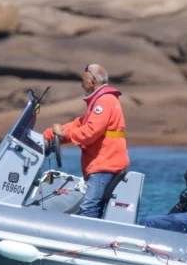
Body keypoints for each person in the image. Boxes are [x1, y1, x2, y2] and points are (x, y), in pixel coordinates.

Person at [43, 64, 130, 218]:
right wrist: (49, 135)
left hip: (104, 165)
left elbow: (89, 133)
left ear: (93, 81)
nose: (82, 84)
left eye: (83, 81)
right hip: (104, 163)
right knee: (92, 205)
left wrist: (62, 132)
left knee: (89, 207)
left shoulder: (104, 102)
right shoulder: (102, 100)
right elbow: (80, 124)